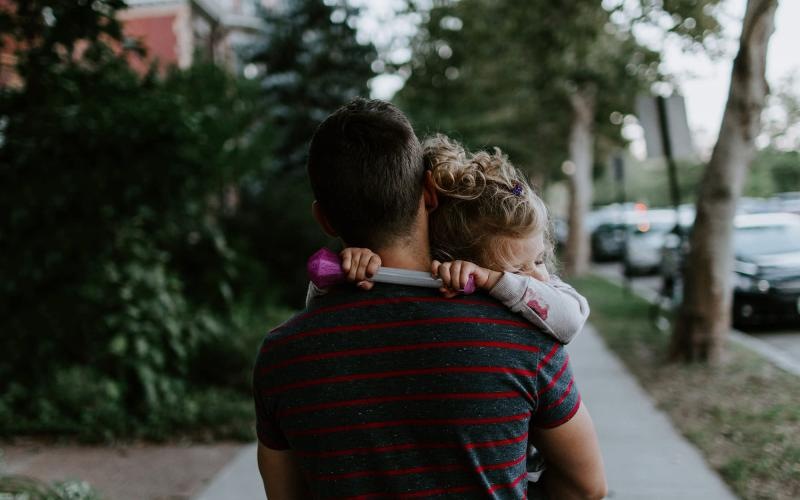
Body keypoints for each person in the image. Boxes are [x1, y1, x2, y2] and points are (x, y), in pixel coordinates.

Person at [253, 98, 606, 499]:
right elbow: (585, 486)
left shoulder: (283, 355)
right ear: (429, 192)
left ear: (324, 218)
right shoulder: (523, 333)